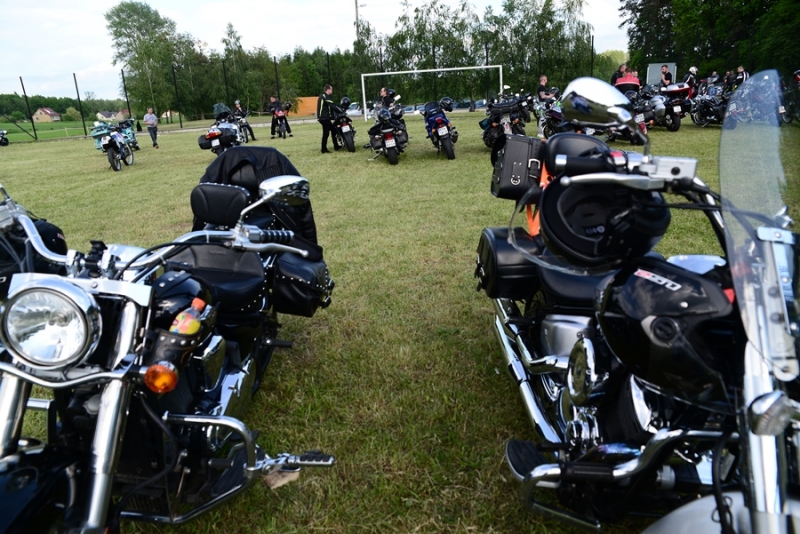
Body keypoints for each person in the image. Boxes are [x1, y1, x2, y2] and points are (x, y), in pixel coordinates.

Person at [317, 84, 340, 153]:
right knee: (326, 133)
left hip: (324, 117)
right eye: (331, 89)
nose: (332, 91)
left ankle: (336, 146)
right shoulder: (325, 96)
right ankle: (323, 149)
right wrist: (340, 111)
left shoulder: (322, 96)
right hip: (324, 118)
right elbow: (332, 105)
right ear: (328, 89)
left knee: (334, 130)